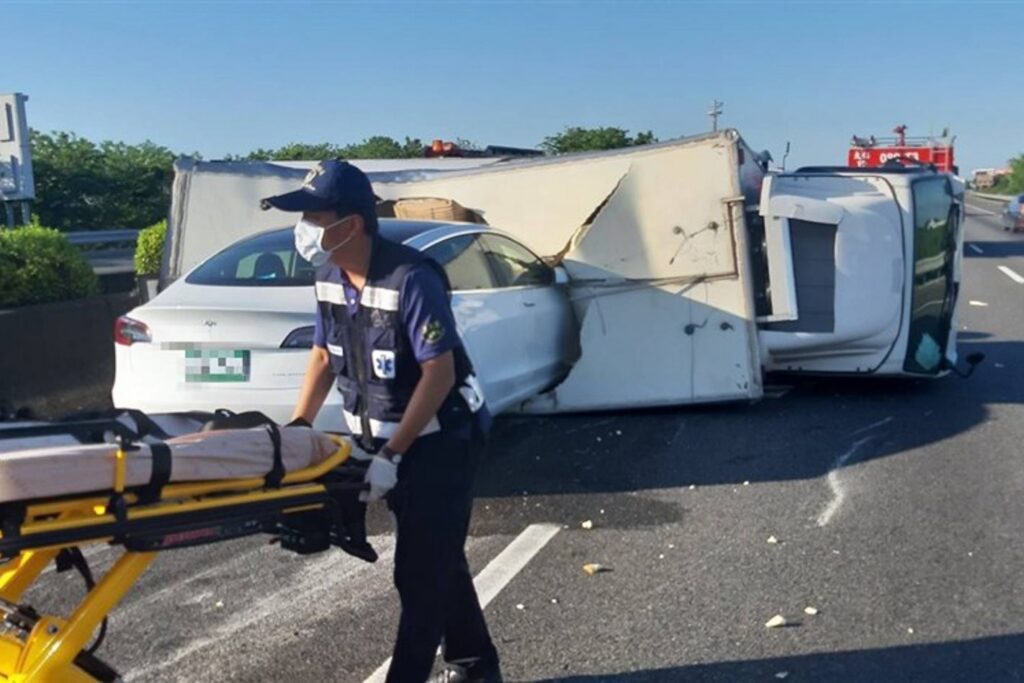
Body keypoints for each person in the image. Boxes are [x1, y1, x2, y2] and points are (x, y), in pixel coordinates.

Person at [261, 160, 502, 683]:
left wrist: (394, 455)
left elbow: (438, 373)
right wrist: (300, 423)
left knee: (418, 575)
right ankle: (477, 668)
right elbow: (324, 355)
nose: (303, 229)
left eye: (313, 216)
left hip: (443, 441)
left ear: (350, 224)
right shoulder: (328, 277)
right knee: (437, 559)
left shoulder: (411, 280)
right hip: (381, 442)